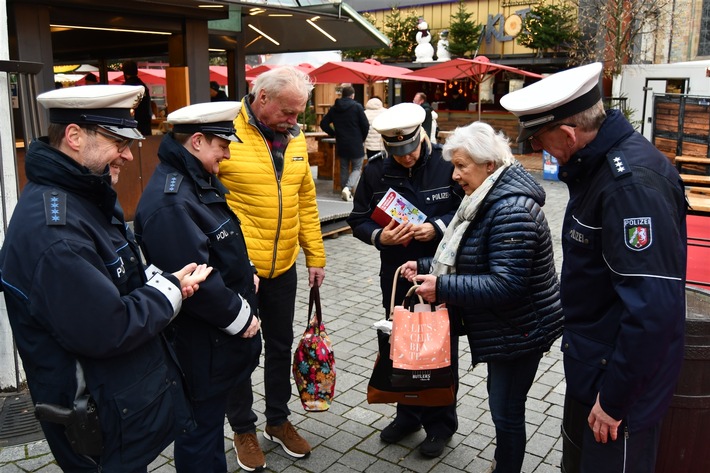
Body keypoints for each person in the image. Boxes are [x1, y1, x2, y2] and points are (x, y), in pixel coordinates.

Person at [0, 84, 212, 472]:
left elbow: (113, 277)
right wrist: (169, 293)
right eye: (117, 141)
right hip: (98, 418)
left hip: (114, 405)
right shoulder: (56, 230)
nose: (129, 155)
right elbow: (107, 327)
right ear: (75, 137)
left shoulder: (83, 195)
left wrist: (164, 281)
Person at [501, 62, 687, 473]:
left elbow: (653, 310)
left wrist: (614, 400)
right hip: (598, 370)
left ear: (567, 133)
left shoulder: (629, 185)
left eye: (539, 138)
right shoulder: (598, 167)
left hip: (618, 388)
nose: (536, 149)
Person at [400, 121, 563, 472]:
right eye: (454, 165)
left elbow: (506, 284)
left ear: (489, 165)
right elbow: (472, 255)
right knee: (501, 403)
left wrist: (441, 286)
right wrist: (426, 264)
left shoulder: (510, 209)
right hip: (507, 327)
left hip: (521, 330)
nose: (455, 175)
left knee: (506, 413)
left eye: (462, 166)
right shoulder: (487, 197)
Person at [133, 101, 262, 473]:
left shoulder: (195, 180)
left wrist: (245, 269)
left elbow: (219, 241)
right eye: (222, 144)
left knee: (207, 430)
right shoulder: (172, 200)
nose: (227, 152)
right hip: (202, 344)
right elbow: (194, 278)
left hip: (213, 345)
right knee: (199, 436)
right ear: (198, 142)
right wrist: (242, 319)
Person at [218, 65, 326, 472]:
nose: (296, 121)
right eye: (289, 112)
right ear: (261, 98)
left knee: (281, 346)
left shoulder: (294, 140)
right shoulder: (226, 131)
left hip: (284, 267)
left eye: (300, 112)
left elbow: (306, 201)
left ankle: (278, 421)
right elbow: (206, 203)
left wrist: (315, 255)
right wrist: (229, 262)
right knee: (241, 350)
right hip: (242, 272)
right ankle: (242, 427)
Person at [347, 102, 464, 458]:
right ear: (385, 145)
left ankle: (441, 424)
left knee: (438, 344)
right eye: (398, 152)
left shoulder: (448, 164)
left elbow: (467, 209)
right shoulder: (377, 170)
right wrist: (379, 237)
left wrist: (437, 227)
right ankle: (408, 414)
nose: (407, 157)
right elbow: (359, 218)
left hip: (440, 271)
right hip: (398, 275)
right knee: (401, 343)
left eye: (411, 148)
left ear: (422, 135)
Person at [320, 85, 369, 201]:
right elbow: (365, 125)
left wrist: (334, 133)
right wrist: (362, 138)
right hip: (356, 142)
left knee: (344, 167)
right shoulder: (357, 107)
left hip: (341, 142)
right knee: (357, 168)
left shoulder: (334, 108)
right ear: (352, 95)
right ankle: (348, 188)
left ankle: (344, 189)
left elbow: (323, 124)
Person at [122, 60, 153, 136]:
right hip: (145, 125)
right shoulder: (143, 87)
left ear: (125, 73)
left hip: (130, 126)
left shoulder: (124, 88)